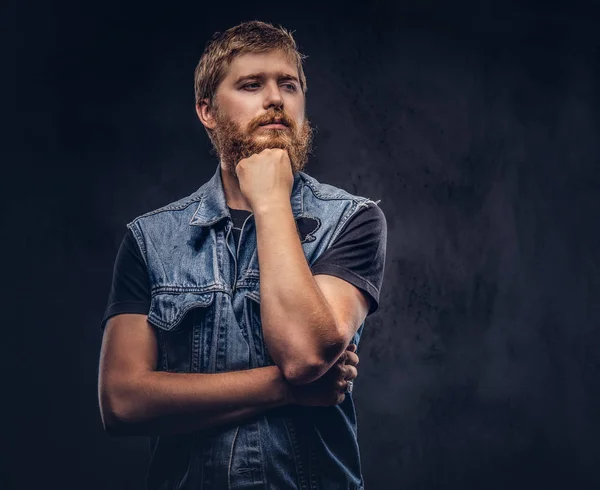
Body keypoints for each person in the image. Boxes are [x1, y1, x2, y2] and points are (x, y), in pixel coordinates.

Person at [98, 20, 387, 490]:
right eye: (252, 85)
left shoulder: (352, 220)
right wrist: (286, 390)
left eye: (288, 85)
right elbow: (122, 402)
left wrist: (272, 200)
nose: (275, 98)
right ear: (207, 111)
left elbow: (305, 354)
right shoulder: (150, 239)